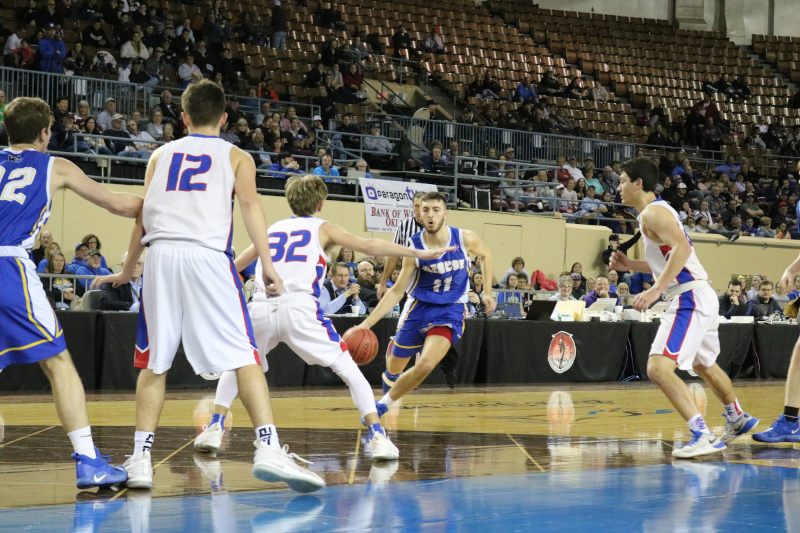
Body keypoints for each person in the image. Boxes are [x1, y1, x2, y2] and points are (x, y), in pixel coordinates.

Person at [91, 80, 321, 493]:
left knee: (154, 361)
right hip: (208, 256)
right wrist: (267, 264)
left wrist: (126, 271)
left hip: (160, 256)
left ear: (183, 117)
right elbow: (250, 205)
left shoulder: (159, 155)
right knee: (245, 355)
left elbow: (143, 215)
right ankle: (268, 447)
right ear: (225, 118)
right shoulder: (236, 156)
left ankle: (141, 459)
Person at [193, 174, 454, 461]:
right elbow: (368, 246)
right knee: (349, 369)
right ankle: (378, 436)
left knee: (238, 365)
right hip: (299, 307)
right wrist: (416, 252)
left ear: (290, 201)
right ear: (320, 203)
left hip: (261, 306)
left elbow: (235, 265)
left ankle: (214, 427)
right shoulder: (324, 229)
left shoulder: (272, 229)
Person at [0, 96, 142, 488]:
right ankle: (88, 459)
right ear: (45, 132)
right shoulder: (54, 165)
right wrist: (159, 204)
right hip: (9, 266)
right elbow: (117, 204)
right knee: (58, 362)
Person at [610, 157, 759, 458]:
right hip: (700, 293)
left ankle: (702, 434)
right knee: (704, 366)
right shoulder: (656, 212)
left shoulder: (652, 213)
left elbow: (683, 249)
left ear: (638, 183)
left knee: (657, 368)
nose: (618, 187)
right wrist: (631, 265)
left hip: (688, 297)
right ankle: (737, 417)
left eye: (622, 181)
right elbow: (671, 259)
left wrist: (656, 289)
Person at [352, 192, 496, 417]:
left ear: (445, 214)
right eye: (426, 210)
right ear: (419, 214)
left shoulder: (465, 238)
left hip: (450, 310)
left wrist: (487, 292)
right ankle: (390, 381)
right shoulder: (414, 246)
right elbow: (397, 290)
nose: (430, 215)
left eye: (436, 210)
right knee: (394, 368)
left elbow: (486, 255)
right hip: (419, 308)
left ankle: (381, 406)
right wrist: (366, 324)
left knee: (426, 364)